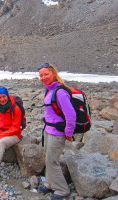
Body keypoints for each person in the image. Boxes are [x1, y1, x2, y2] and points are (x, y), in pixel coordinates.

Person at [37, 63, 76, 200]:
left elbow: (70, 115)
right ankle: (49, 183)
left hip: (57, 132)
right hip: (48, 129)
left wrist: (69, 133)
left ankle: (61, 189)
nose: (43, 77)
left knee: (52, 161)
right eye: (41, 75)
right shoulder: (49, 90)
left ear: (53, 73)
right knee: (48, 158)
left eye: (46, 74)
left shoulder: (60, 92)